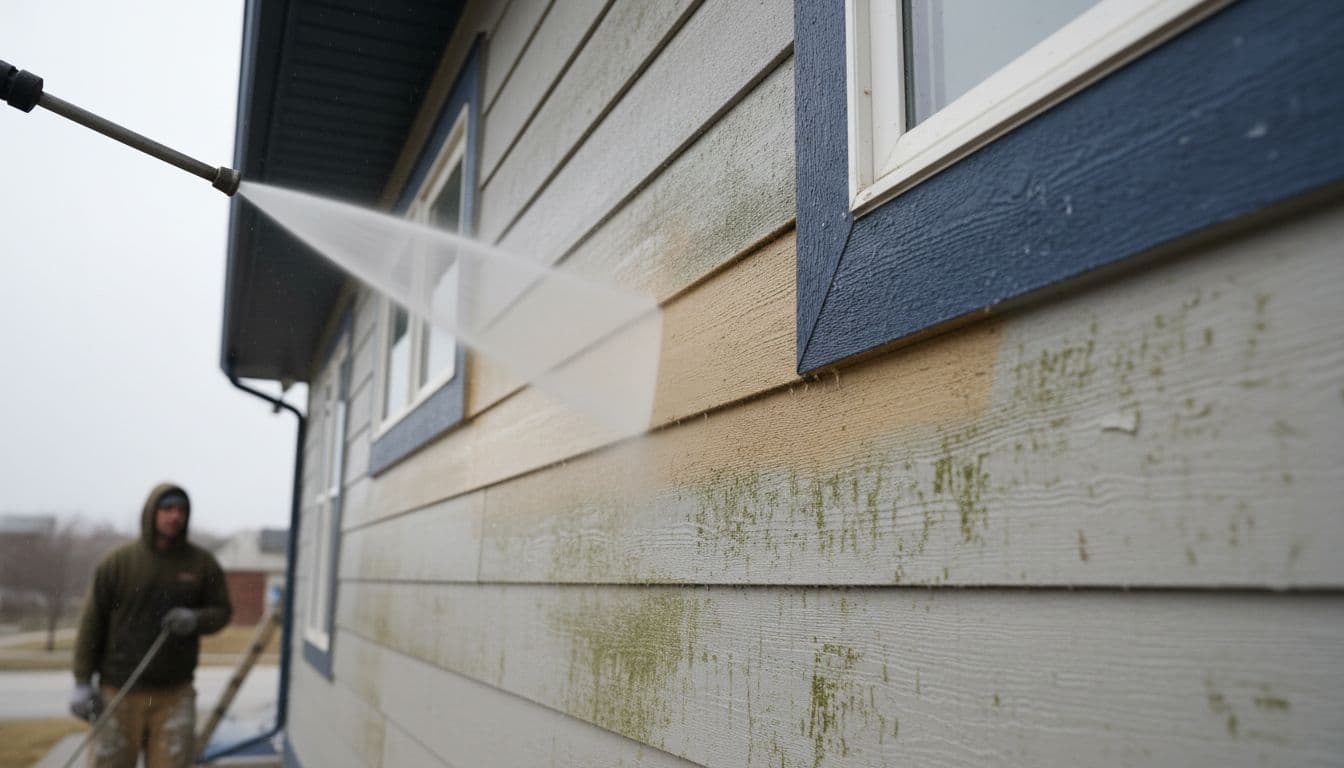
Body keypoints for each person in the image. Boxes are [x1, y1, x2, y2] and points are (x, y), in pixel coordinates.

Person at [69, 483, 232, 768]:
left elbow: (223, 611)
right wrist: (82, 682)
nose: (174, 516)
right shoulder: (118, 563)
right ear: (151, 513)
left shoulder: (201, 564)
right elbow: (91, 624)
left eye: (181, 510)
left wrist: (196, 619)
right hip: (118, 692)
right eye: (167, 508)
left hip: (174, 694)